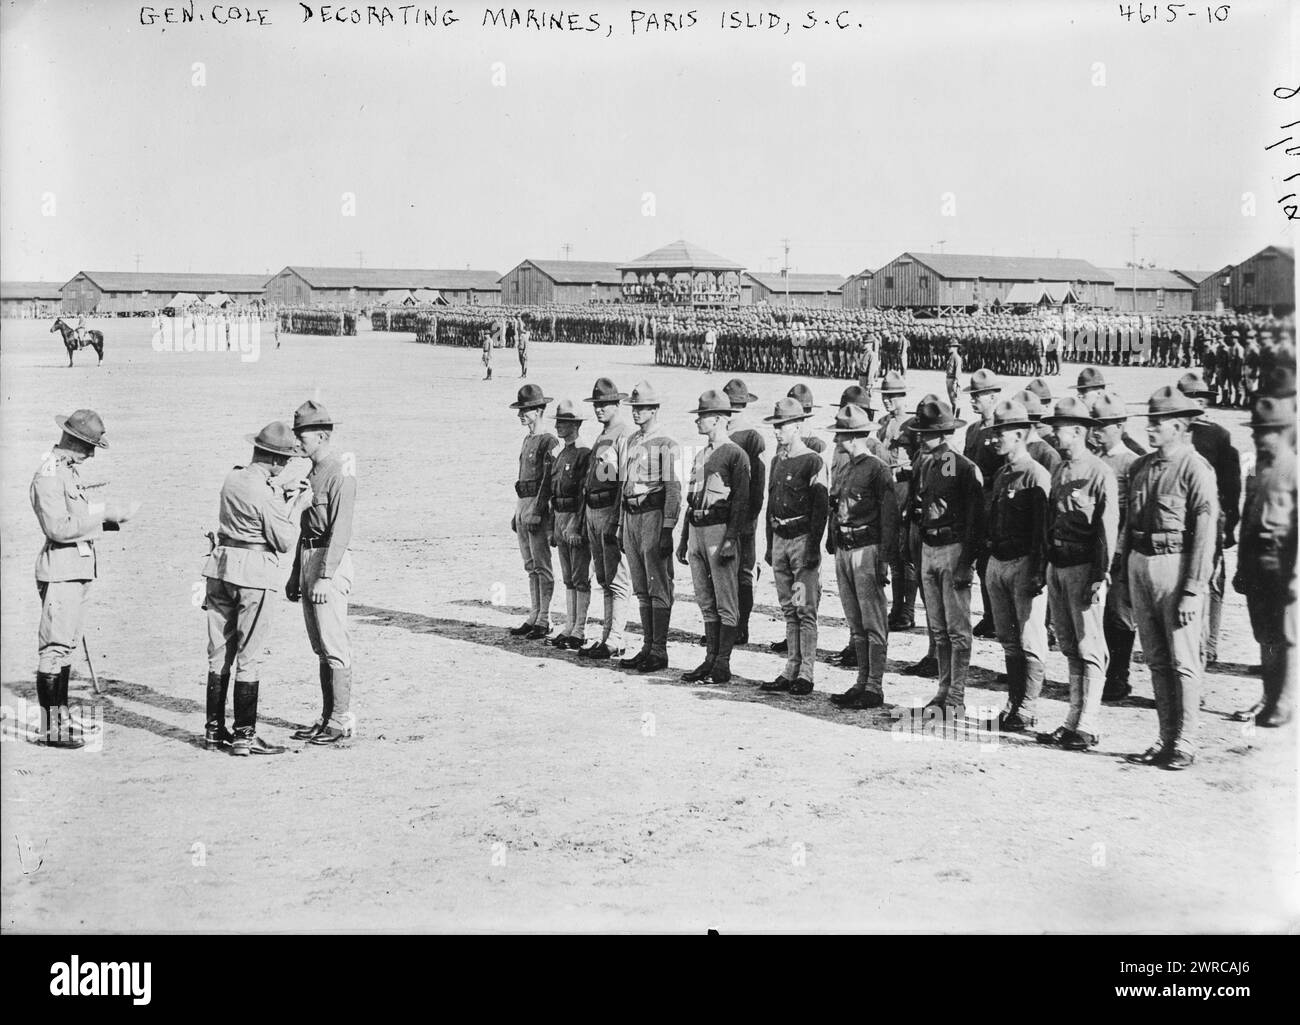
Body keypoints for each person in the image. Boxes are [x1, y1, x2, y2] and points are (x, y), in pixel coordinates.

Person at [1122, 386, 1219, 770]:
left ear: (1179, 426)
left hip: (1176, 566)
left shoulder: (1196, 468)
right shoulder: (1141, 467)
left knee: (1184, 661)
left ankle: (1186, 742)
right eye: (1150, 421)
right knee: (1157, 660)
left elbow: (1205, 532)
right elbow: (1129, 526)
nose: (1150, 429)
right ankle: (1164, 737)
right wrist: (1123, 576)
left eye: (1158, 423)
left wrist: (1194, 589)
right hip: (1140, 564)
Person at [203, 422, 313, 755]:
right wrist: (297, 505)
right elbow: (283, 541)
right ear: (278, 460)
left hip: (220, 568)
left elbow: (255, 498)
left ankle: (214, 732)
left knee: (218, 655)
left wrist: (280, 491)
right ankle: (244, 736)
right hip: (253, 574)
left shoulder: (233, 477)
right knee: (249, 658)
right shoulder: (266, 495)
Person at [30, 410, 136, 749]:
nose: (91, 455)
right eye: (88, 447)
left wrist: (109, 516)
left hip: (75, 569)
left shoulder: (67, 471)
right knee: (54, 649)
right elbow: (58, 528)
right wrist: (103, 515)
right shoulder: (49, 474)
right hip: (61, 570)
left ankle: (60, 720)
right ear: (72, 440)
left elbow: (76, 516)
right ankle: (52, 729)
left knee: (66, 648)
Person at [1037, 397, 1118, 751]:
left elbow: (1106, 528)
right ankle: (1072, 720)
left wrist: (1101, 574)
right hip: (1058, 565)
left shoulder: (1099, 472)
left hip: (1085, 568)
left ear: (1079, 431)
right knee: (1069, 645)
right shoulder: (1060, 468)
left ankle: (1089, 723)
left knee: (1090, 647)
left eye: (1060, 429)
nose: (1055, 434)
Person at [286, 401, 358, 746]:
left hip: (330, 560)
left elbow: (340, 529)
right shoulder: (310, 474)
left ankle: (342, 719)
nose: (297, 441)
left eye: (303, 435)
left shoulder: (339, 473)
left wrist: (325, 575)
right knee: (320, 646)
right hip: (309, 557)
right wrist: (295, 574)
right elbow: (304, 527)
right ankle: (327, 715)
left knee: (334, 644)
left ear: (322, 436)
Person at [909, 397, 985, 712]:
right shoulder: (924, 462)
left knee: (957, 630)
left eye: (926, 433)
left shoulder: (959, 465)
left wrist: (966, 562)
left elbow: (975, 519)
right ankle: (943, 692)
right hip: (929, 548)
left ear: (942, 434)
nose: (920, 438)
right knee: (938, 628)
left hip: (953, 549)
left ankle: (956, 697)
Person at [982, 399, 1052, 732]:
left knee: (1030, 639)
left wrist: (1038, 572)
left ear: (1021, 434)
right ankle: (1013, 702)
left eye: (1002, 432)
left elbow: (1041, 532)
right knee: (1008, 640)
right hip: (999, 563)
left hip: (1024, 564)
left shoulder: (1036, 475)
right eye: (994, 431)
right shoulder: (1001, 474)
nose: (995, 438)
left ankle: (1027, 707)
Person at [826, 404, 899, 709]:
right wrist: (832, 539)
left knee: (873, 620)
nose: (837, 439)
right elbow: (835, 508)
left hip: (867, 550)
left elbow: (889, 516)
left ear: (853, 436)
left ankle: (874, 686)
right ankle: (861, 682)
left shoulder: (877, 468)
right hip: (844, 549)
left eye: (841, 433)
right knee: (855, 620)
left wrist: (884, 558)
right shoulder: (846, 467)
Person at [677, 390, 750, 684]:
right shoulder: (701, 454)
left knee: (725, 599)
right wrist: (684, 539)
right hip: (697, 530)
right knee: (705, 598)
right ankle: (709, 658)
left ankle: (722, 662)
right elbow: (691, 498)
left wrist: (731, 539)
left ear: (719, 419)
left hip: (720, 531)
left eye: (703, 416)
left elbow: (741, 502)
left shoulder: (735, 454)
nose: (698, 420)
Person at [1232, 396, 1296, 727]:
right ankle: (1270, 698)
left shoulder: (1294, 471)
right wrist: (1242, 567)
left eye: (1266, 432)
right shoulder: (1257, 468)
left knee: (1287, 637)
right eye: (1256, 432)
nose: (1259, 438)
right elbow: (1248, 519)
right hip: (1258, 566)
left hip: (1284, 568)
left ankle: (1284, 703)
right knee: (1266, 636)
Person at [762, 397, 829, 693]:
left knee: (804, 609)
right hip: (780, 542)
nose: (778, 432)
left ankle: (806, 672)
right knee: (788, 608)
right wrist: (768, 544)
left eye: (784, 426)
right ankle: (790, 667)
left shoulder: (813, 461)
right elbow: (770, 504)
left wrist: (813, 547)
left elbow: (820, 509)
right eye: (776, 426)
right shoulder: (777, 461)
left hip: (802, 544)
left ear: (798, 426)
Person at [1177, 372, 1240, 668]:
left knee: (1211, 582)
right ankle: (1201, 644)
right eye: (1194, 401)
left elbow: (1231, 484)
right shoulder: (1180, 436)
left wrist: (1227, 524)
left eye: (1201, 401)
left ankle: (1210, 644)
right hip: (1190, 523)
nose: (1200, 407)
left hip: (1209, 520)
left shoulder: (1218, 435)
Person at [618, 382, 681, 673]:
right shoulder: (631, 440)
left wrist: (668, 528)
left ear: (655, 409)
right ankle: (646, 646)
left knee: (658, 584)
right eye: (634, 408)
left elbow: (673, 489)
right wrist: (620, 525)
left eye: (642, 408)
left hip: (653, 515)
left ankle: (659, 649)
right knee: (641, 586)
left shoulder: (668, 443)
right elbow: (624, 484)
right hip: (631, 516)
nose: (637, 413)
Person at [579, 378, 634, 660]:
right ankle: (606, 637)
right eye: (597, 404)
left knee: (617, 579)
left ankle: (616, 638)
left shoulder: (623, 434)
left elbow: (624, 480)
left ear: (617, 405)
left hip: (609, 512)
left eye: (605, 404)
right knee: (603, 577)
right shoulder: (602, 436)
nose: (599, 409)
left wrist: (617, 517)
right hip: (592, 511)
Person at [1091, 392, 1140, 702]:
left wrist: (1118, 551)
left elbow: (1131, 514)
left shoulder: (1132, 462)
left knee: (1120, 617)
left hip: (1119, 553)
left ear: (1120, 426)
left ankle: (1119, 677)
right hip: (1096, 550)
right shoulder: (1095, 460)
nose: (1097, 431)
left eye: (1104, 426)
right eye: (1094, 425)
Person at [504, 385, 559, 641]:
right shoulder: (527, 440)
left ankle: (545, 618)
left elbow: (548, 480)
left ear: (538, 411)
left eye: (525, 410)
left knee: (542, 564)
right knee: (530, 565)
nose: (521, 415)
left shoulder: (549, 440)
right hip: (523, 502)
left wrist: (538, 510)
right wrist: (518, 512)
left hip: (537, 505)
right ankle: (534, 614)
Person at [722, 378, 766, 645]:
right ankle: (728, 624)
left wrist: (749, 517)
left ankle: (741, 626)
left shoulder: (751, 437)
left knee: (744, 572)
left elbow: (758, 483)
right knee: (724, 572)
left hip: (744, 516)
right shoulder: (721, 433)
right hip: (722, 515)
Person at [548, 400, 593, 652]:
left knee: (580, 576)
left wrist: (577, 523)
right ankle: (569, 626)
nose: (557, 427)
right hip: (561, 516)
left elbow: (583, 492)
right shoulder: (562, 453)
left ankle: (580, 629)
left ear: (575, 425)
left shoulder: (584, 452)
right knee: (568, 577)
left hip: (576, 517)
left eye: (562, 423)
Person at [962, 369, 1003, 639]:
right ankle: (989, 616)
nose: (974, 400)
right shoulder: (973, 429)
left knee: (993, 563)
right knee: (980, 564)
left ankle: (998, 617)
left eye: (978, 395)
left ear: (993, 396)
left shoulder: (1002, 428)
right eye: (973, 395)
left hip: (995, 504)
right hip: (976, 505)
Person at [944, 339, 962, 411]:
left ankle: (956, 417)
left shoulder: (956, 357)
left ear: (955, 348)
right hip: (949, 379)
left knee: (954, 400)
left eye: (950, 347)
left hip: (952, 380)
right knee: (952, 400)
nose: (948, 348)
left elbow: (958, 371)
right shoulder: (952, 356)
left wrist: (956, 382)